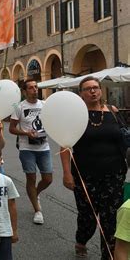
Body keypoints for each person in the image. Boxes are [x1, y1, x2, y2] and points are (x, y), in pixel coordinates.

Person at [60, 76, 126, 259]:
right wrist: (67, 174)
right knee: (87, 217)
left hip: (114, 174)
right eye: (88, 89)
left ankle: (109, 255)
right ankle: (81, 239)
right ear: (81, 94)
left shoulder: (112, 112)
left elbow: (124, 138)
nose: (93, 91)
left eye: (96, 87)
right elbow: (65, 147)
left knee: (110, 219)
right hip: (85, 176)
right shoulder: (76, 116)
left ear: (101, 90)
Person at [9, 79, 52, 225]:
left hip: (44, 147)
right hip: (27, 148)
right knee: (31, 178)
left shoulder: (45, 105)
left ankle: (35, 193)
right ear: (25, 91)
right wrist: (27, 133)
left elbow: (51, 121)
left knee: (48, 179)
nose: (35, 90)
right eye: (31, 88)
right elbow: (12, 128)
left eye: (36, 87)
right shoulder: (19, 107)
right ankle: (37, 210)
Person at [0, 147, 19, 260]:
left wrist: (14, 230)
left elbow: (12, 206)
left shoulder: (6, 181)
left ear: (1, 160)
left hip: (3, 231)